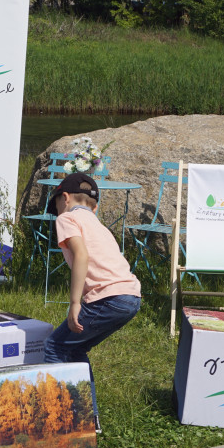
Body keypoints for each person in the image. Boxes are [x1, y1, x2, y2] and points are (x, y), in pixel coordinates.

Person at [42, 172, 141, 422]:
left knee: (55, 347)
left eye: (56, 205)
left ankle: (61, 420)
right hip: (130, 297)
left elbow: (82, 257)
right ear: (94, 207)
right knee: (76, 350)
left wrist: (75, 302)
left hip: (107, 297)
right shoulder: (99, 226)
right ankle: (88, 419)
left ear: (64, 198)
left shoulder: (67, 218)